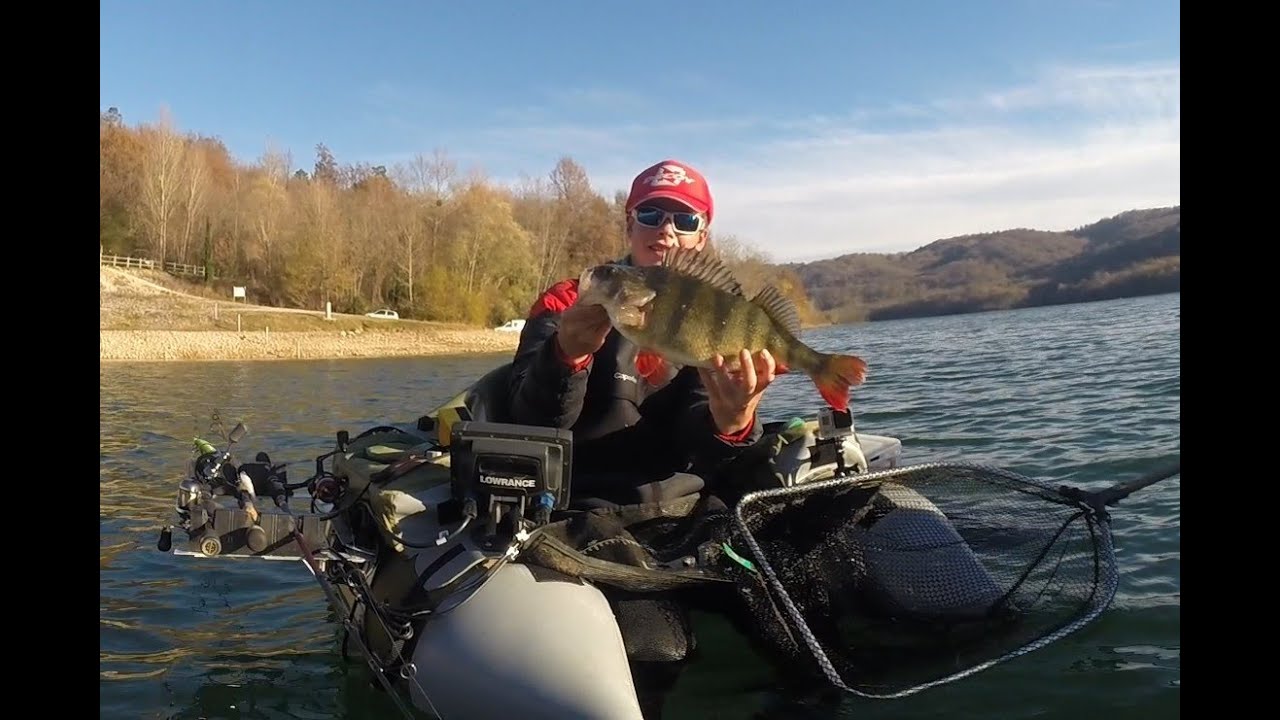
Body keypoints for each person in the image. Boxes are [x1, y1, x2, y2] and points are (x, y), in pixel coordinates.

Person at [506, 159, 778, 507]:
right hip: (572, 499)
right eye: (651, 215)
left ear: (702, 237)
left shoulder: (716, 314)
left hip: (678, 502)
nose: (666, 230)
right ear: (629, 225)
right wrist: (564, 356)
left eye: (685, 220)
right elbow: (527, 423)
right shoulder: (567, 301)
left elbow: (697, 446)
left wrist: (730, 422)